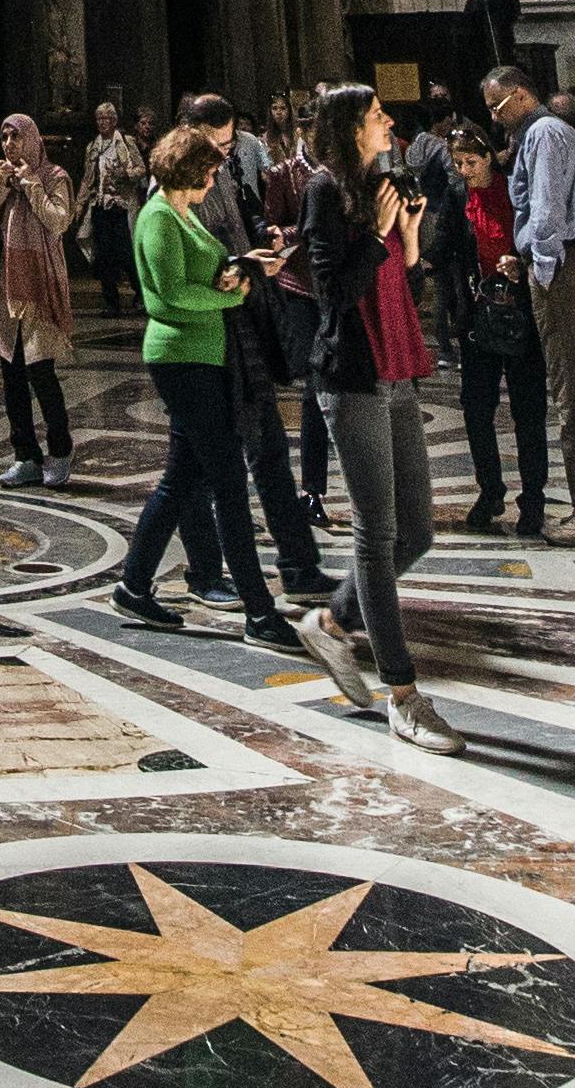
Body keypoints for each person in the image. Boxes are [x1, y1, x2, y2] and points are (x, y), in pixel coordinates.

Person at [301, 83, 456, 747]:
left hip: (397, 365)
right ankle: (403, 693)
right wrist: (379, 234)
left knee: (415, 534)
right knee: (376, 531)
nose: (389, 121)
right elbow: (333, 293)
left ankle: (332, 623)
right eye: (375, 115)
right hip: (353, 374)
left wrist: (409, 237)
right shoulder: (324, 193)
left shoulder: (387, 185)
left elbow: (403, 280)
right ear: (349, 129)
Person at [113, 121, 298, 645]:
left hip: (206, 356)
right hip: (183, 359)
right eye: (212, 168)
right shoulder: (157, 218)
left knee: (180, 480)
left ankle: (132, 586)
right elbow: (166, 299)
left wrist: (242, 264)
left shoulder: (183, 214)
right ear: (191, 169)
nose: (216, 176)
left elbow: (206, 274)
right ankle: (260, 614)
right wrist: (232, 296)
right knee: (228, 484)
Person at [182, 90, 330, 603]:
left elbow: (233, 236)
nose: (223, 154)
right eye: (215, 143)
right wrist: (243, 264)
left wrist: (256, 255)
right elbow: (182, 278)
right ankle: (202, 572)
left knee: (268, 447)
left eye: (228, 144)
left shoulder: (219, 172)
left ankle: (298, 564)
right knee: (196, 464)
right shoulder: (175, 190)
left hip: (243, 318)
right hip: (203, 340)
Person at [488, 62, 575, 540]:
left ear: (522, 95)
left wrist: (538, 266)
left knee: (573, 397)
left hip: (563, 271)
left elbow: (544, 210)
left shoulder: (543, 133)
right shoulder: (552, 132)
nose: (494, 116)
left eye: (497, 105)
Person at [446, 124, 548, 532]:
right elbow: (449, 247)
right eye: (458, 163)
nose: (465, 170)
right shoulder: (457, 197)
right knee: (476, 407)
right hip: (477, 314)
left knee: (527, 409)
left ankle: (534, 498)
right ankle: (490, 491)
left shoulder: (512, 190)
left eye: (471, 161)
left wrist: (518, 264)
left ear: (489, 156)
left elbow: (532, 237)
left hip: (519, 310)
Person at [0, 109, 77, 485]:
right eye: (4, 137)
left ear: (31, 140)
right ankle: (25, 456)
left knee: (42, 374)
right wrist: (0, 186)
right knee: (12, 377)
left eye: (15, 137)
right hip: (8, 291)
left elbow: (58, 221)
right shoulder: (5, 181)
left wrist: (32, 183)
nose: (8, 144)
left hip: (40, 287)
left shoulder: (55, 177)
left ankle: (61, 451)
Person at [83, 100, 146, 310]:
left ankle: (141, 294)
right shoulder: (93, 147)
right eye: (99, 118)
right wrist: (79, 203)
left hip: (121, 206)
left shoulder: (125, 142)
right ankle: (111, 302)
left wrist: (124, 174)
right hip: (100, 205)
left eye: (106, 118)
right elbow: (87, 178)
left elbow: (141, 169)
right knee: (103, 257)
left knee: (126, 254)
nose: (102, 122)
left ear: (114, 120)